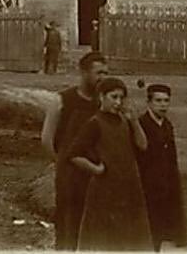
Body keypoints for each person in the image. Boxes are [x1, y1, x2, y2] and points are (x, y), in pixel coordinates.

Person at [65, 77, 152, 251]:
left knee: (131, 238)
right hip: (105, 191)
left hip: (129, 187)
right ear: (101, 97)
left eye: (121, 97)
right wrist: (95, 169)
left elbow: (143, 145)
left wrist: (134, 121)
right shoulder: (94, 124)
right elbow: (73, 155)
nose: (118, 102)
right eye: (114, 97)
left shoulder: (125, 121)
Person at [40, 51, 108, 250]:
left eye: (106, 73)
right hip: (70, 176)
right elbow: (46, 139)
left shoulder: (105, 103)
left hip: (98, 174)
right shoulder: (62, 100)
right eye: (98, 73)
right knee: (68, 226)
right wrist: (61, 164)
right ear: (84, 73)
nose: (102, 78)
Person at [136, 85, 187, 251]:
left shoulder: (167, 125)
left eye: (166, 101)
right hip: (147, 183)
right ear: (149, 103)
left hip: (166, 182)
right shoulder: (141, 124)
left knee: (166, 226)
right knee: (149, 230)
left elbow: (172, 158)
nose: (163, 105)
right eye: (158, 101)